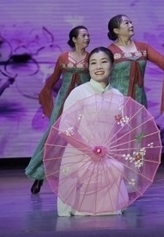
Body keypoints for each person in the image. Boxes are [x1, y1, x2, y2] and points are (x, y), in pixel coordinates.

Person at [56, 47, 130, 217]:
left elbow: (121, 129)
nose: (98, 67)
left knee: (116, 169)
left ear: (112, 65)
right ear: (88, 67)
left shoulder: (118, 95)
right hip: (80, 153)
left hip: (106, 155)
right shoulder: (79, 93)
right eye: (93, 63)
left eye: (103, 62)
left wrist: (111, 153)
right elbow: (65, 130)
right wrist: (89, 150)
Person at [26, 25, 91, 194]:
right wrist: (45, 97)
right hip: (64, 102)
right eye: (83, 35)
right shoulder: (63, 57)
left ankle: (81, 178)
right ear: (74, 39)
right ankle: (39, 175)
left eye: (88, 35)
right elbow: (53, 80)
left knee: (82, 138)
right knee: (53, 137)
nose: (87, 38)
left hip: (83, 102)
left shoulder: (91, 58)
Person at [105, 14, 164, 113]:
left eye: (131, 22)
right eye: (126, 23)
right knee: (120, 122)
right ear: (116, 30)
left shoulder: (143, 48)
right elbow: (101, 77)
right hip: (117, 101)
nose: (131, 25)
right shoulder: (110, 51)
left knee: (140, 122)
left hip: (139, 99)